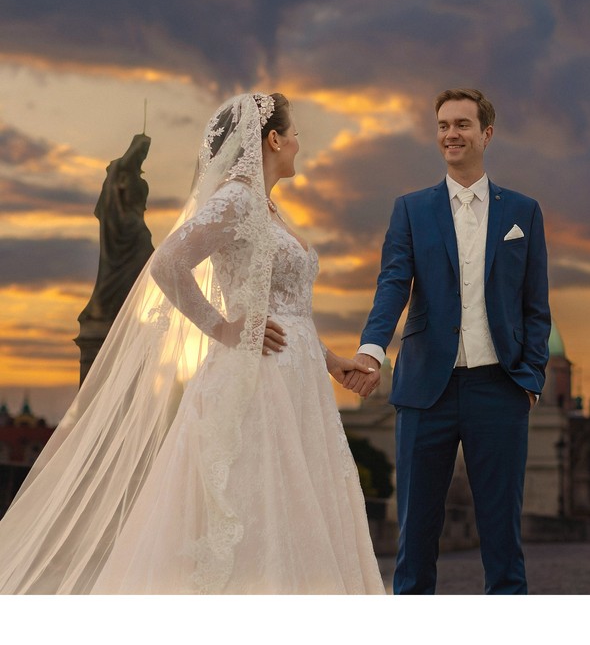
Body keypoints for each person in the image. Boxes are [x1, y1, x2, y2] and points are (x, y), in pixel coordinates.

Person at [0, 93, 385, 594]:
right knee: (252, 506)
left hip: (298, 385)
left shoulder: (266, 206)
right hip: (257, 382)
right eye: (293, 134)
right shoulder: (238, 199)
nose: (297, 143)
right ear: (272, 139)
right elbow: (166, 264)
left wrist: (333, 363)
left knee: (291, 505)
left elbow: (290, 310)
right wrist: (222, 327)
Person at [343, 88, 550, 594]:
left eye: (461, 124)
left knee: (503, 537)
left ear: (486, 134)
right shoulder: (411, 209)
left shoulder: (523, 212)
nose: (450, 134)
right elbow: (392, 285)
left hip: (500, 388)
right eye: (442, 126)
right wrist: (371, 349)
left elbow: (536, 305)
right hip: (423, 392)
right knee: (416, 536)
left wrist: (531, 377)